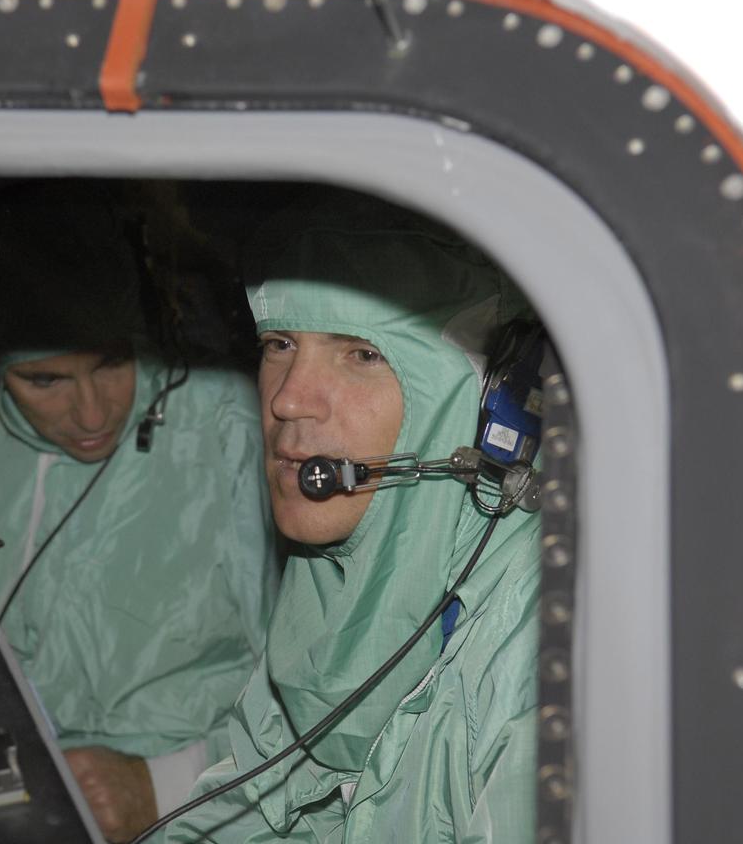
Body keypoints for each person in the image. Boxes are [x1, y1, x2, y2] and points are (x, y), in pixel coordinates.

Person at [166, 191, 542, 842]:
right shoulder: (334, 579)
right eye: (279, 343)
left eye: (361, 354)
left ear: (488, 413)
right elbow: (251, 808)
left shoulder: (535, 650)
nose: (287, 400)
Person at [0, 189, 278, 843]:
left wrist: (165, 783)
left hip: (208, 805)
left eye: (113, 364)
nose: (92, 416)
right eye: (46, 381)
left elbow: (314, 693)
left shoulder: (231, 429)